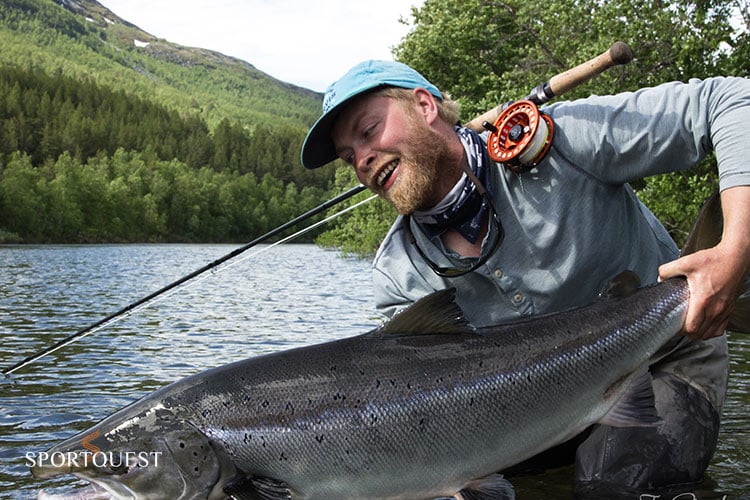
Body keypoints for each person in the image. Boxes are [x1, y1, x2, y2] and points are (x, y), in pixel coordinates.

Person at [300, 60, 750, 492]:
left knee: (616, 484)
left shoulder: (568, 142)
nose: (361, 159)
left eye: (369, 131)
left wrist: (732, 252)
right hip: (526, 408)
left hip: (666, 349)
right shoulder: (401, 273)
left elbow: (731, 100)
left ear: (424, 106)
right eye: (348, 156)